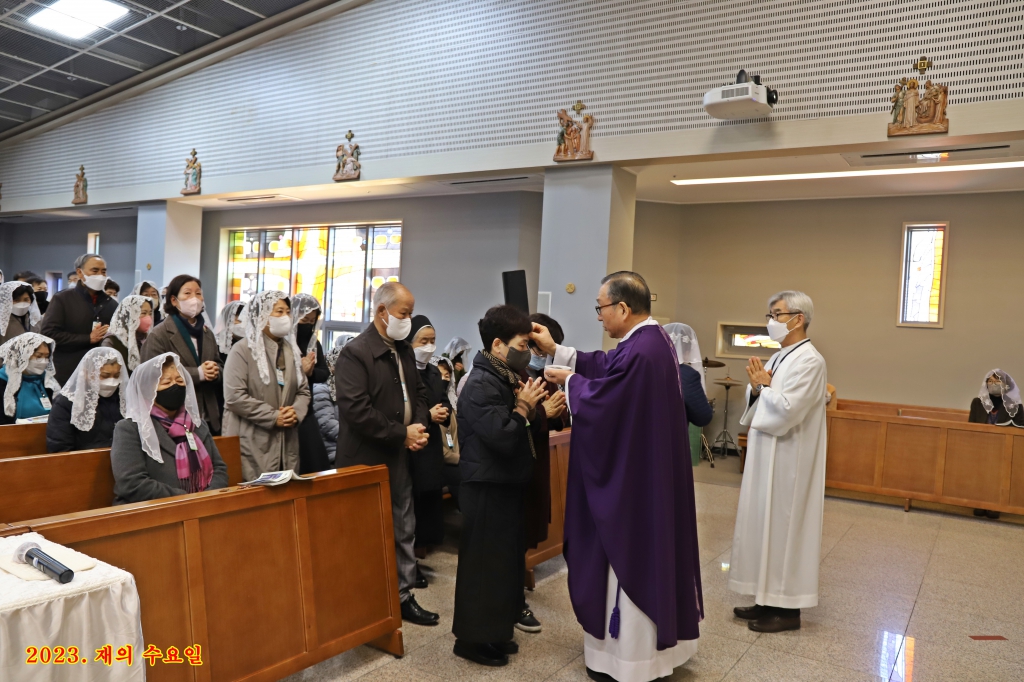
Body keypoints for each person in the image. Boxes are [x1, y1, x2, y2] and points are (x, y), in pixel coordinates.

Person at [533, 271, 703, 682]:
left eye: (601, 307)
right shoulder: (650, 340)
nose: (599, 316)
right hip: (647, 470)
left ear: (623, 308)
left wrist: (571, 383)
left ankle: (628, 661)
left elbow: (609, 402)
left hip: (634, 482)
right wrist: (559, 352)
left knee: (626, 554)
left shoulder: (644, 350)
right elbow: (609, 365)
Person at [334, 282, 437, 626]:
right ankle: (361, 599)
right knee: (363, 532)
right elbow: (356, 410)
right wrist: (401, 434)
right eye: (404, 313)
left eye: (410, 313)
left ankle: (402, 596)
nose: (408, 320)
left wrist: (417, 427)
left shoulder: (403, 349)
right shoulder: (355, 352)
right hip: (365, 457)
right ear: (382, 312)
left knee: (404, 526)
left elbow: (420, 394)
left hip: (399, 453)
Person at [452, 305, 547, 667]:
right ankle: (470, 641)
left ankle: (495, 632)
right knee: (482, 568)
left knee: (503, 566)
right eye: (522, 344)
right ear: (497, 344)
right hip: (486, 486)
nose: (527, 351)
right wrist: (523, 409)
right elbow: (503, 438)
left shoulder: (503, 376)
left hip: (505, 483)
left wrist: (533, 411)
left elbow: (518, 429)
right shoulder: (480, 383)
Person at [729, 290, 828, 634]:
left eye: (777, 314)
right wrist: (759, 389)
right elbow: (762, 395)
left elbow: (789, 410)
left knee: (785, 528)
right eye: (770, 315)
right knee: (763, 524)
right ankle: (765, 597)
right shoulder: (779, 356)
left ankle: (787, 611)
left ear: (798, 319)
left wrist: (764, 389)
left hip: (790, 461)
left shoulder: (811, 361)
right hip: (766, 455)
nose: (771, 321)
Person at [111, 353, 229, 504]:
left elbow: (219, 468)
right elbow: (131, 483)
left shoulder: (197, 424)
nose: (175, 386)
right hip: (155, 510)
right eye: (167, 382)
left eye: (180, 381)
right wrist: (186, 499)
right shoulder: (130, 428)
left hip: (204, 504)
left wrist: (208, 496)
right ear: (148, 391)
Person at [223, 290, 310, 480]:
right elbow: (234, 396)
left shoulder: (291, 350)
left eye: (288, 312)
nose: (285, 317)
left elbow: (303, 391)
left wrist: (295, 412)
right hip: (251, 440)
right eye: (279, 311)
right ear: (262, 315)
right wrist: (273, 416)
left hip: (286, 441)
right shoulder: (242, 350)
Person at [140, 275, 222, 434]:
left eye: (198, 293)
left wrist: (216, 370)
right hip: (174, 415)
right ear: (174, 300)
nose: (194, 299)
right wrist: (197, 373)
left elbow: (219, 364)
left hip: (208, 414)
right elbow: (151, 375)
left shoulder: (207, 333)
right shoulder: (160, 334)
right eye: (187, 293)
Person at [407, 315, 451, 568]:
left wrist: (444, 412)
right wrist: (428, 415)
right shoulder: (404, 370)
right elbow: (405, 408)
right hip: (413, 444)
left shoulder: (434, 372)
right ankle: (410, 554)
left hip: (432, 443)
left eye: (432, 340)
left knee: (429, 499)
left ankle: (424, 546)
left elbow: (443, 400)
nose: (429, 346)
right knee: (413, 500)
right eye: (423, 341)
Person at [40, 254, 118, 384]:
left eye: (103, 272)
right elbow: (48, 334)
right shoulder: (62, 299)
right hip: (68, 371)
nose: (100, 275)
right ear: (80, 272)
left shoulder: (111, 304)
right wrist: (87, 338)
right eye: (95, 271)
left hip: (100, 374)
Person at [967, 369, 1023, 519]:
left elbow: (1020, 429)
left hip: (1004, 449)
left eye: (997, 381)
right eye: (990, 381)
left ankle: (995, 505)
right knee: (980, 475)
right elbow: (970, 426)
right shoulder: (977, 402)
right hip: (981, 448)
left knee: (998, 476)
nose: (993, 384)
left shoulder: (1015, 406)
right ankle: (979, 502)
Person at [46, 347, 126, 452]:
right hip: (83, 460)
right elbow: (60, 447)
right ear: (87, 373)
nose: (112, 381)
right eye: (104, 375)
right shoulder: (66, 402)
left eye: (116, 376)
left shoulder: (123, 399)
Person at [291, 293, 331, 474]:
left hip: (308, 410)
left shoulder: (314, 342)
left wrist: (310, 372)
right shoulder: (284, 340)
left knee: (314, 463)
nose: (307, 325)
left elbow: (324, 372)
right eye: (304, 320)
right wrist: (299, 370)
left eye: (311, 321)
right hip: (287, 406)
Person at [664, 323, 713, 465]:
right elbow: (703, 417)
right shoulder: (686, 375)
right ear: (687, 352)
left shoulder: (645, 367)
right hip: (670, 443)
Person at [0, 333, 60, 425]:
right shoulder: (3, 380)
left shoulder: (48, 382)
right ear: (22, 355)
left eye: (46, 356)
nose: (43, 361)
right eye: (38, 356)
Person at [102, 295, 154, 376]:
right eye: (143, 313)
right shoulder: (111, 342)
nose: (148, 318)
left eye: (150, 313)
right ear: (130, 315)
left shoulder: (146, 340)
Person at [435, 356, 462, 505]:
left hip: (457, 458)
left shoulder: (452, 407)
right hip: (440, 463)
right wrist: (458, 458)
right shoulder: (427, 408)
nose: (444, 379)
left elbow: (457, 437)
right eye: (439, 375)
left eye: (447, 376)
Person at [312, 345, 343, 465]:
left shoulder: (345, 387)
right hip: (332, 453)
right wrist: (352, 438)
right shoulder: (321, 388)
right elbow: (326, 423)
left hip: (345, 450)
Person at [0, 281, 41, 346]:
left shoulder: (35, 319)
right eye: (16, 300)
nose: (22, 303)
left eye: (26, 300)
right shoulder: (2, 322)